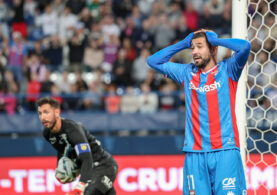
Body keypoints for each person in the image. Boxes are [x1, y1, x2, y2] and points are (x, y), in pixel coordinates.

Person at [147, 29, 251, 194]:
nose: (194, 52)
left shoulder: (229, 70)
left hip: (225, 150)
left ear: (212, 49)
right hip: (195, 154)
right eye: (193, 47)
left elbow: (245, 47)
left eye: (200, 46)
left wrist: (215, 40)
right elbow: (153, 61)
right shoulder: (186, 73)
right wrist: (183, 43)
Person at [36, 97, 118, 195]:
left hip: (103, 165)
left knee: (87, 193)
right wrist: (60, 167)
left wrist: (81, 184)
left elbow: (87, 159)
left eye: (46, 112)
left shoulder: (72, 129)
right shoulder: (47, 134)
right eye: (40, 113)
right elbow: (62, 150)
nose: (42, 117)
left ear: (57, 112)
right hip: (92, 173)